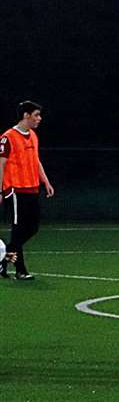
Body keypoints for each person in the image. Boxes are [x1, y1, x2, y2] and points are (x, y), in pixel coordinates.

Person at [1, 100, 55, 281]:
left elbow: (36, 160)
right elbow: (1, 165)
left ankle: (4, 257)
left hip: (32, 187)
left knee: (32, 227)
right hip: (15, 189)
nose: (39, 118)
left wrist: (45, 181)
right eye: (36, 115)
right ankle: (20, 269)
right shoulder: (8, 137)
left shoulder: (33, 135)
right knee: (18, 228)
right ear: (26, 115)